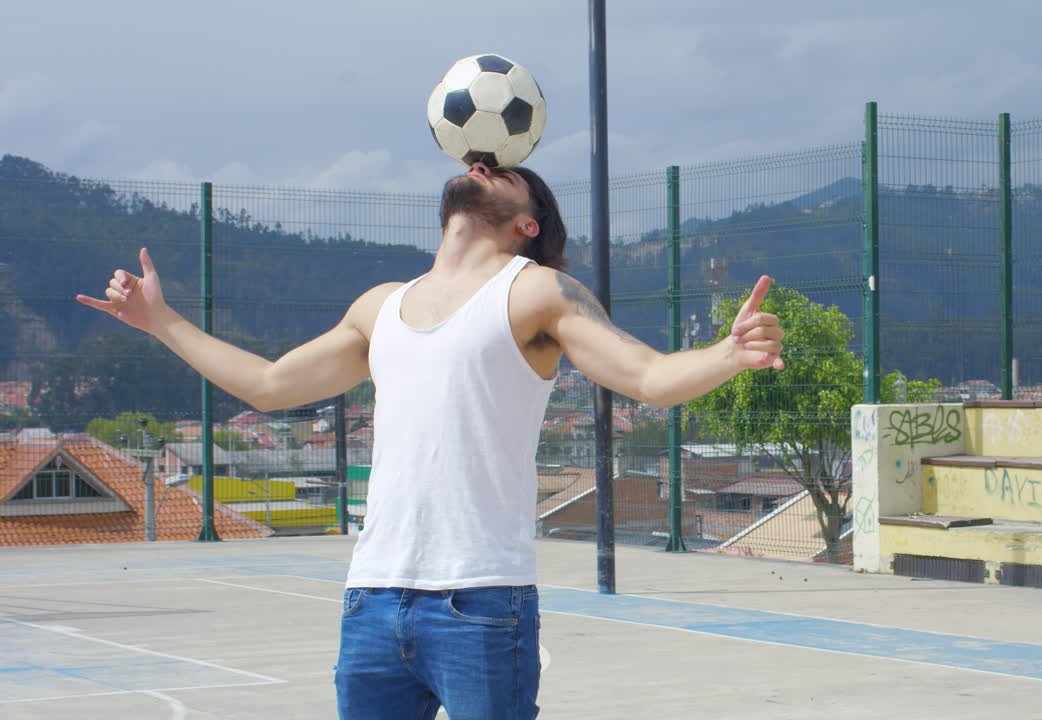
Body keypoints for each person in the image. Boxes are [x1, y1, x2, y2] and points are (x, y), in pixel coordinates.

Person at [77, 161, 785, 719]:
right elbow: (266, 384)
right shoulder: (380, 306)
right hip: (371, 599)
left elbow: (650, 376)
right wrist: (160, 320)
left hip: (480, 603)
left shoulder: (537, 292)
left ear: (527, 224)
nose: (479, 161)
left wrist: (730, 353)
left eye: (499, 166)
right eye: (475, 159)